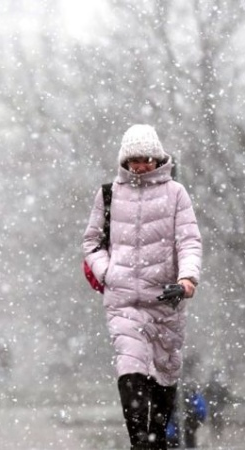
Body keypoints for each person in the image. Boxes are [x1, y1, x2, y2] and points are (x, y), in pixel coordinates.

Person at [82, 124, 202, 450]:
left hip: (165, 300)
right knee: (130, 369)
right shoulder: (109, 194)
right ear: (125, 160)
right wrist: (109, 273)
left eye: (146, 158)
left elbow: (189, 241)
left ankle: (156, 439)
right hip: (123, 301)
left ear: (158, 157)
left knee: (165, 377)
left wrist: (187, 280)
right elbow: (91, 243)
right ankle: (139, 443)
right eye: (133, 159)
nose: (140, 166)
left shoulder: (176, 193)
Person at [203, 369, 231, 441]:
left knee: (216, 420)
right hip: (216, 406)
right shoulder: (215, 386)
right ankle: (217, 433)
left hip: (216, 406)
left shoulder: (215, 386)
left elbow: (225, 395)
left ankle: (217, 433)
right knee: (216, 420)